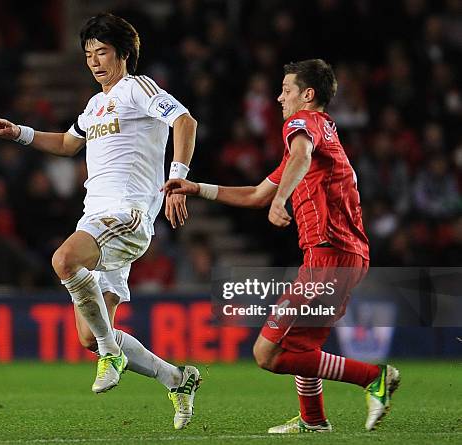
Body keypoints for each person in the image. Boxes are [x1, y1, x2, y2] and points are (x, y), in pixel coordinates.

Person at [0, 13, 201, 430]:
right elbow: (68, 144)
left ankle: (110, 352)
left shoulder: (136, 89)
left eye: (102, 52)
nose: (94, 61)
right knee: (89, 335)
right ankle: (176, 378)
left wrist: (178, 177)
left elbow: (184, 120)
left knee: (64, 261)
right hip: (98, 218)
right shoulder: (95, 104)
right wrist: (20, 134)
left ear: (123, 55)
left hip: (127, 213)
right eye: (88, 53)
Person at [164, 59, 400, 433]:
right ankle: (314, 420)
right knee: (301, 347)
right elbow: (258, 193)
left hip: (330, 254)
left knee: (267, 354)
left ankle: (374, 377)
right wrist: (197, 189)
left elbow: (298, 162)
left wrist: (281, 200)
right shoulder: (320, 137)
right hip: (342, 255)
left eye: (286, 90)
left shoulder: (303, 126)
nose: (279, 97)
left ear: (308, 95)